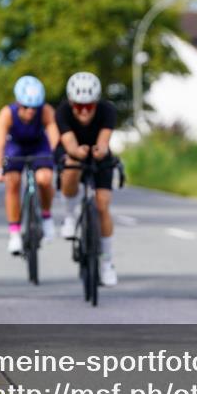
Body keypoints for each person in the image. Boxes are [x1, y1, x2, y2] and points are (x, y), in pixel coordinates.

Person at [55, 72, 120, 286]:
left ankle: (106, 262)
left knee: (102, 205)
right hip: (73, 150)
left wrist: (100, 151)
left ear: (96, 103)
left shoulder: (107, 110)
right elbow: (69, 142)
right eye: (78, 106)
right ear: (71, 103)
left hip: (98, 154)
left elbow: (103, 140)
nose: (83, 111)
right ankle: (70, 217)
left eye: (89, 106)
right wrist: (76, 151)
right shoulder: (63, 111)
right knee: (71, 169)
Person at [0, 76, 60, 255]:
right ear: (18, 103)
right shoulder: (7, 113)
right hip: (15, 147)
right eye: (26, 107)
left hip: (39, 145)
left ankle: (46, 217)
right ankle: (14, 234)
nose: (31, 111)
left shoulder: (46, 111)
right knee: (12, 181)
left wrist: (57, 159)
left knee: (45, 179)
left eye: (34, 107)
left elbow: (54, 138)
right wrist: (0, 168)